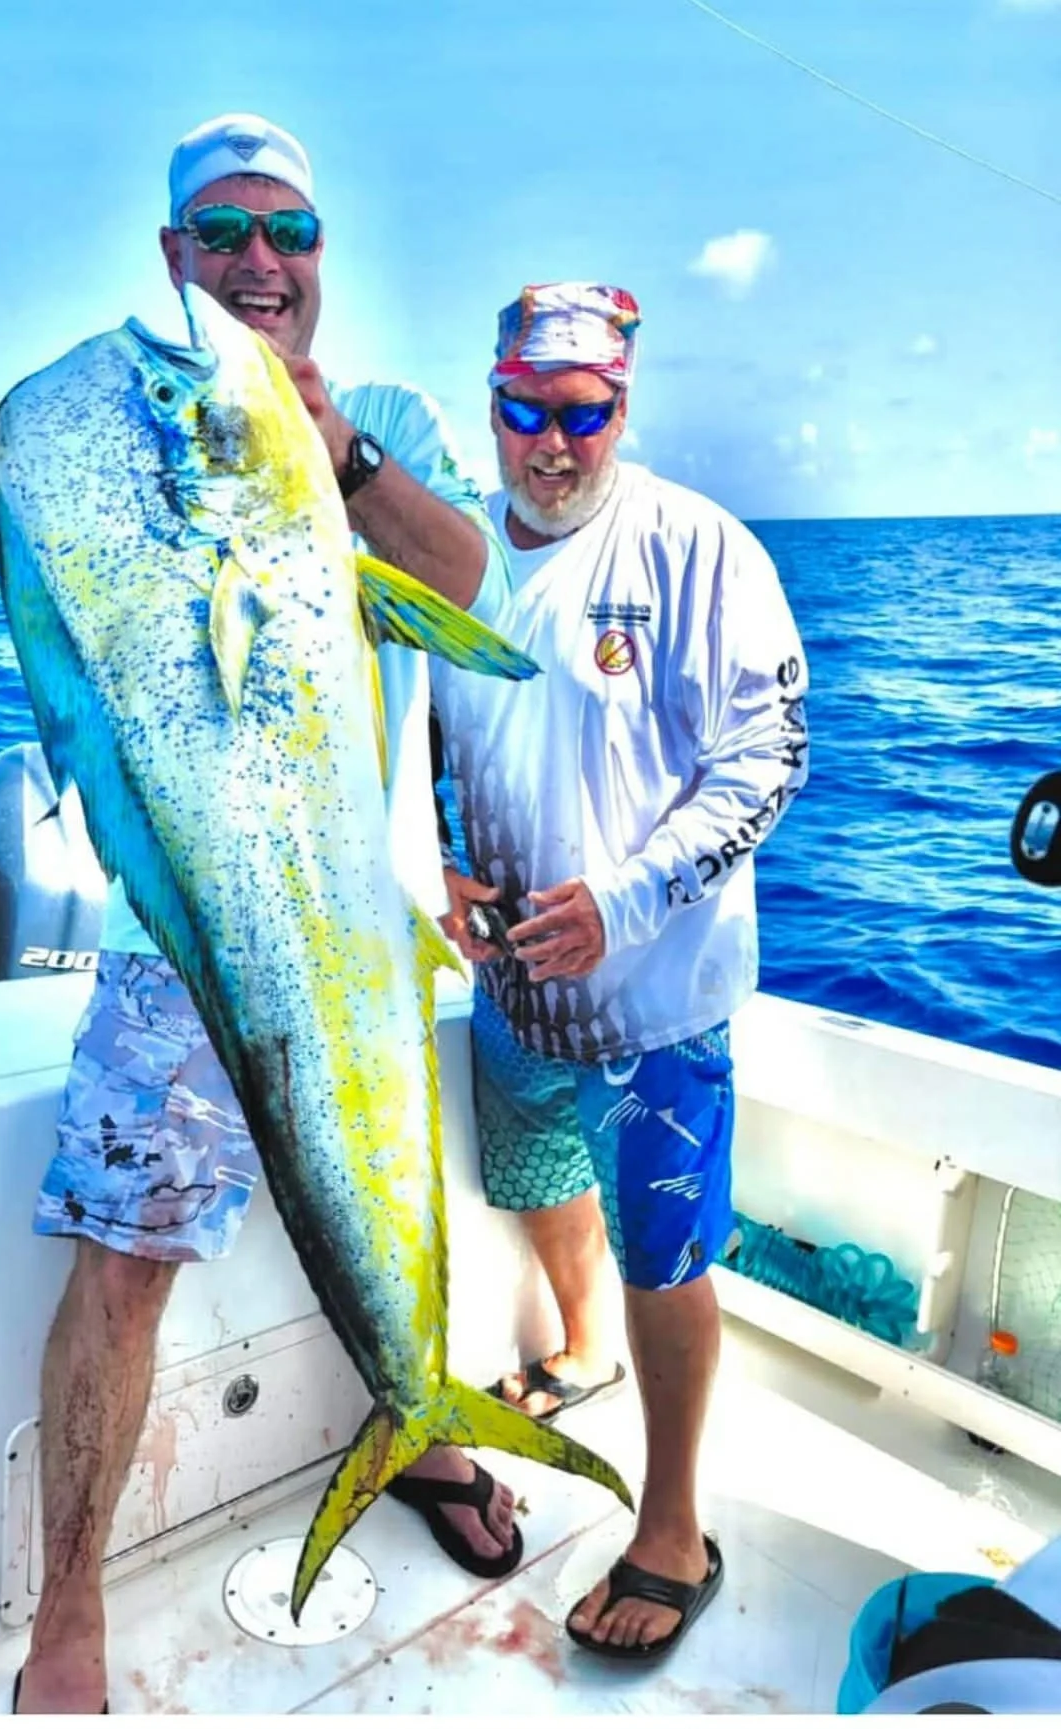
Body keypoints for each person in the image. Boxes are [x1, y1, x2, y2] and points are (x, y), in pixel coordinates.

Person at [13, 114, 518, 1715]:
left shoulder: (384, 418)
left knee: (394, 1196)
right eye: (220, 236)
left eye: (287, 233)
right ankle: (67, 1620)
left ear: (323, 256)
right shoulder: (142, 438)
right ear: (174, 259)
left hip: (367, 927)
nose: (256, 263)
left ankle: (423, 1419)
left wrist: (331, 458)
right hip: (186, 942)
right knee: (119, 1262)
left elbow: (465, 576)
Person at [431, 280, 811, 1663]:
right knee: (532, 1184)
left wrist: (629, 901)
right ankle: (579, 1347)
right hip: (511, 995)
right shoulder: (457, 554)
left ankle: (672, 1527)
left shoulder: (702, 550)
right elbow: (412, 742)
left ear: (621, 410)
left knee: (664, 1254)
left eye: (582, 414)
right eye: (527, 409)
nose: (553, 441)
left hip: (657, 1012)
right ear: (494, 402)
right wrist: (440, 872)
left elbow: (773, 760)